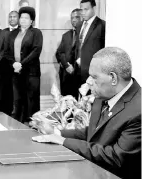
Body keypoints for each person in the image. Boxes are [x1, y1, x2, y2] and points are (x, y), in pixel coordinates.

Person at [33, 47, 141, 179]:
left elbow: (116, 157)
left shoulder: (138, 110)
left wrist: (63, 141)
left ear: (113, 78)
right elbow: (93, 132)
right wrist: (56, 132)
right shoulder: (103, 95)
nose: (88, 81)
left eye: (94, 77)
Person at [4, 6, 43, 124]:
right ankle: (19, 125)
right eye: (21, 17)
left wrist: (21, 64)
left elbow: (36, 51)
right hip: (16, 72)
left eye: (26, 18)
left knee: (31, 101)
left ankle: (33, 126)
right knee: (18, 101)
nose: (23, 20)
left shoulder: (36, 32)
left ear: (32, 21)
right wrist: (14, 64)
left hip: (31, 73)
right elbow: (6, 52)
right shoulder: (13, 33)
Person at [73, 0, 105, 90]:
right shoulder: (79, 25)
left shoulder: (102, 25)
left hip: (92, 71)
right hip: (78, 69)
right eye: (81, 9)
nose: (83, 12)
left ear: (94, 9)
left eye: (86, 9)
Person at [55, 8, 82, 98]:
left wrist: (74, 67)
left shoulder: (86, 35)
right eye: (72, 17)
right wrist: (66, 65)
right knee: (67, 104)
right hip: (66, 75)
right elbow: (59, 53)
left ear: (82, 18)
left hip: (80, 76)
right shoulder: (66, 35)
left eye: (77, 17)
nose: (73, 20)